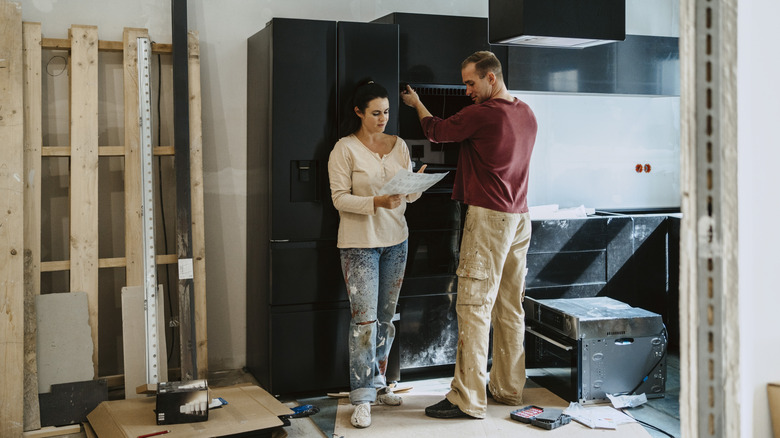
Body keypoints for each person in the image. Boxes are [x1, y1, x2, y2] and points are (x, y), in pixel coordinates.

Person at [400, 51, 538, 420]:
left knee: (474, 307)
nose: (467, 91)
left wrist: (416, 103)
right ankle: (508, 388)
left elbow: (437, 131)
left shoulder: (484, 113)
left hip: (490, 219)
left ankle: (467, 399)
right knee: (510, 307)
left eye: (470, 83)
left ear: (491, 77)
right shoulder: (526, 112)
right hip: (520, 218)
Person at [328, 80, 427, 429]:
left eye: (386, 112)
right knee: (364, 323)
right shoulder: (344, 149)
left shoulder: (399, 145)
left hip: (396, 240)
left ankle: (380, 383)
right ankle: (361, 398)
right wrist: (377, 202)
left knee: (386, 319)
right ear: (358, 112)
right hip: (359, 244)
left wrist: (414, 185)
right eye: (375, 113)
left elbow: (408, 199)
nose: (383, 118)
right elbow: (339, 198)